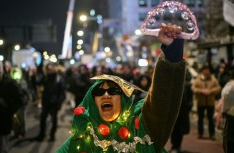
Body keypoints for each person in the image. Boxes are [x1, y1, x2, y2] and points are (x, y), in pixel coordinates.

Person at [56, 23, 186, 153]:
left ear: (123, 98)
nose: (106, 95)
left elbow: (163, 99)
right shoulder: (82, 138)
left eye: (113, 91)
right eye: (99, 92)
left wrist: (172, 51)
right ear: (92, 101)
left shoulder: (141, 129)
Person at [0, 55, 24, 153]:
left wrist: (8, 111)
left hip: (2, 125)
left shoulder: (9, 83)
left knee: (1, 149)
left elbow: (20, 99)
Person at [34, 62, 66, 141]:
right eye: (47, 69)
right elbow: (37, 83)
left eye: (50, 68)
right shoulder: (46, 77)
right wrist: (33, 76)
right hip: (45, 102)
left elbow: (62, 92)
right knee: (43, 119)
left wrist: (59, 102)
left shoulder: (59, 78)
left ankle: (52, 135)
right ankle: (42, 135)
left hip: (54, 103)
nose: (49, 70)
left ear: (55, 68)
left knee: (54, 120)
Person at [191, 65, 221, 140]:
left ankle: (212, 134)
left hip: (210, 102)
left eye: (208, 70)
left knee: (210, 118)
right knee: (200, 118)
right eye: (205, 70)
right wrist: (200, 91)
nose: (206, 71)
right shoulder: (198, 79)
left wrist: (210, 91)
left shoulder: (213, 79)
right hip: (201, 102)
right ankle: (200, 133)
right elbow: (193, 88)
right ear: (202, 71)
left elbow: (218, 88)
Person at [169, 68, 193, 153]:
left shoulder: (187, 85)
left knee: (180, 129)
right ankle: (174, 145)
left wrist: (188, 107)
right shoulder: (173, 84)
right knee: (174, 128)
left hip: (183, 110)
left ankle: (177, 146)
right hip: (174, 110)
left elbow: (190, 99)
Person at [221, 70, 234, 153]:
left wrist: (224, 109)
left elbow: (228, 97)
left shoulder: (231, 84)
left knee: (230, 141)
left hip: (232, 115)